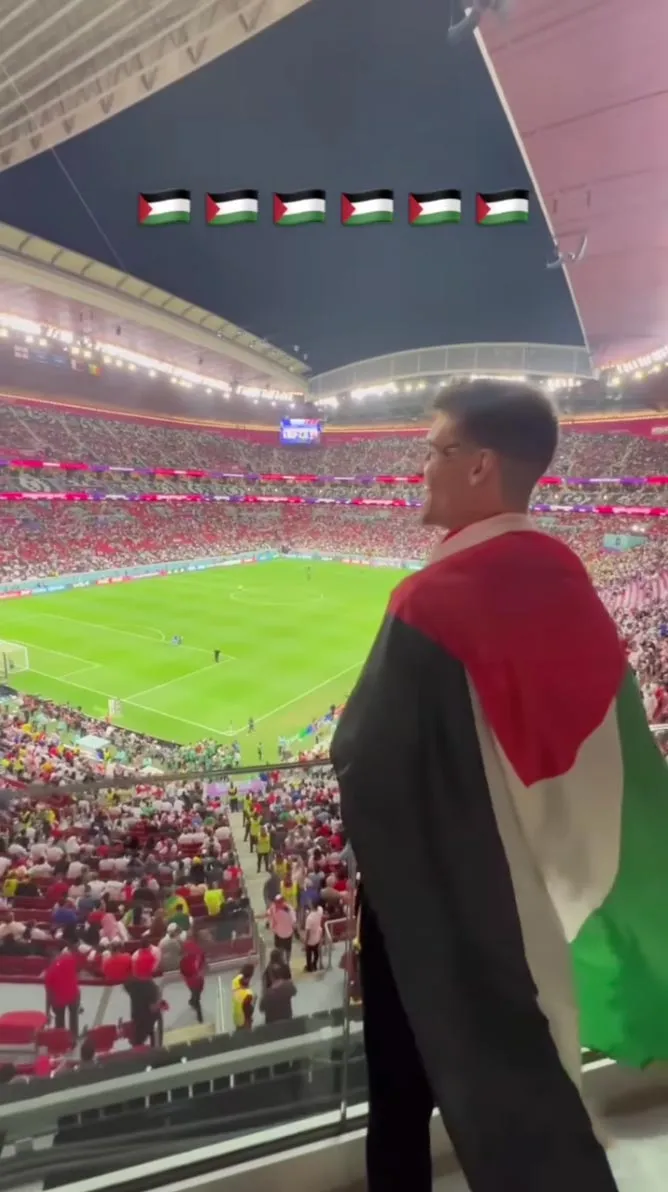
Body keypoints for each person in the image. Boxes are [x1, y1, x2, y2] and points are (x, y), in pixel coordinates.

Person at [331, 381, 625, 1192]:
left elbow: (361, 750)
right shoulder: (567, 578)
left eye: (435, 449)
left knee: (401, 1093)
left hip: (431, 898)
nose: (423, 466)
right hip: (536, 892)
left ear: (480, 465)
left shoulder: (432, 598)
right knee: (525, 1068)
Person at [45, 942, 81, 1037]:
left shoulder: (49, 972)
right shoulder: (69, 959)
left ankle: (61, 1039)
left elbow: (49, 994)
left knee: (60, 1022)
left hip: (59, 999)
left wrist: (47, 1011)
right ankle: (74, 1037)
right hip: (73, 995)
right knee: (74, 1019)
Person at [180, 933, 206, 1024]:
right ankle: (200, 1018)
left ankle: (192, 1001)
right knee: (197, 997)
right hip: (193, 979)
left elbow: (202, 961)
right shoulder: (189, 954)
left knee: (196, 994)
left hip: (196, 979)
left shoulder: (197, 951)